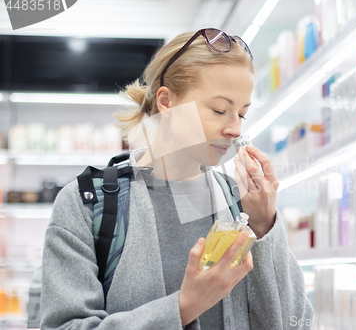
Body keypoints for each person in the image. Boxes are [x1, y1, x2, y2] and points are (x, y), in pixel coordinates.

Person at [40, 28, 314, 329]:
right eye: (219, 109)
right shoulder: (87, 205)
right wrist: (184, 307)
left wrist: (264, 226)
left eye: (242, 114)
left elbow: (295, 323)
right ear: (166, 102)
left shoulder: (241, 204)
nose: (235, 129)